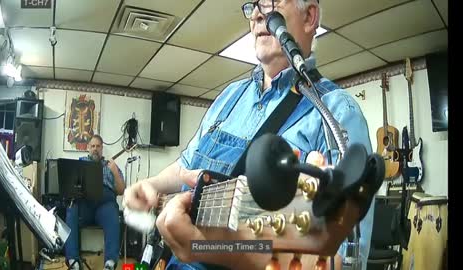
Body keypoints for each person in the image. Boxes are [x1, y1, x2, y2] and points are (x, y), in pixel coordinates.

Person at [123, 0, 376, 269]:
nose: (256, 14)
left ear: (309, 16)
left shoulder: (337, 112)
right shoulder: (229, 97)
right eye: (252, 5)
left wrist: (212, 248)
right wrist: (152, 185)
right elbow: (188, 165)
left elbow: (346, 260)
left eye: (269, 2)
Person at [65, 135, 125, 270]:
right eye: (93, 146)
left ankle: (110, 262)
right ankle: (73, 261)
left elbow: (121, 190)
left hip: (105, 204)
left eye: (98, 146)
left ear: (102, 149)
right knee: (71, 208)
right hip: (85, 205)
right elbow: (71, 187)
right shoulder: (80, 163)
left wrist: (115, 173)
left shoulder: (110, 166)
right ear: (88, 148)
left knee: (112, 212)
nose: (95, 149)